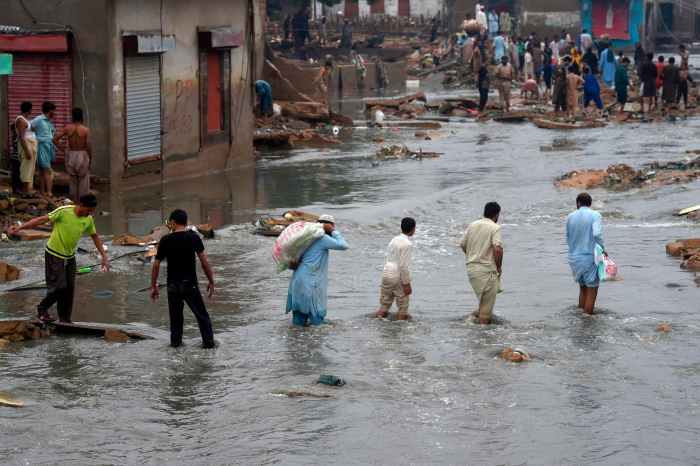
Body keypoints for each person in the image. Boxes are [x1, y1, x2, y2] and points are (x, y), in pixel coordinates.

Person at [6, 194, 109, 323]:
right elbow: (41, 220)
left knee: (69, 289)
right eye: (88, 210)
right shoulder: (64, 211)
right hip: (54, 254)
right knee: (59, 287)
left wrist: (104, 256)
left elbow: (95, 236)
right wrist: (20, 228)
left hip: (70, 256)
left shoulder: (88, 219)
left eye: (92, 211)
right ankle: (42, 308)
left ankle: (65, 319)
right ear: (81, 205)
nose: (89, 213)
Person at [151, 209, 216, 349]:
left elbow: (156, 265)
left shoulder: (165, 240)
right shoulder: (193, 237)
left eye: (170, 223)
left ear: (173, 223)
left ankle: (175, 346)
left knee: (176, 321)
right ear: (185, 222)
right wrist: (211, 281)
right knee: (202, 317)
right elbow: (204, 262)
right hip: (190, 284)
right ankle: (209, 346)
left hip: (172, 286)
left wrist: (153, 286)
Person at [286, 215, 348, 326]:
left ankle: (296, 341)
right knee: (317, 324)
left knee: (297, 324)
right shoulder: (322, 238)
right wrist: (334, 231)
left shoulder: (305, 237)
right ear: (328, 226)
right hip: (310, 283)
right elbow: (343, 245)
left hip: (297, 281)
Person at [460, 202, 503, 325]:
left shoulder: (472, 225)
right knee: (486, 312)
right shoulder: (495, 227)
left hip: (471, 269)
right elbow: (498, 249)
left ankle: (471, 320)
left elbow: (463, 244)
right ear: (497, 214)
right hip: (486, 270)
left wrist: (473, 256)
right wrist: (499, 267)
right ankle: (482, 339)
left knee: (484, 303)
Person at [566, 192, 604, 315]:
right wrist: (602, 249)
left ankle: (580, 318)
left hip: (574, 258)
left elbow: (567, 237)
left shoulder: (570, 216)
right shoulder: (595, 215)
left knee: (583, 289)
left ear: (578, 203)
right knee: (592, 290)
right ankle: (587, 323)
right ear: (590, 203)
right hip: (589, 257)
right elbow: (597, 234)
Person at [375, 218, 416, 321]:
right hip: (397, 275)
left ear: (401, 227)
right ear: (413, 229)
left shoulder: (394, 239)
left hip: (386, 273)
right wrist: (406, 284)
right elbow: (403, 266)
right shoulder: (407, 244)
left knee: (385, 305)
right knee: (403, 307)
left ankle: (378, 322)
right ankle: (399, 330)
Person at [53, 107, 92, 202]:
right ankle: (82, 204)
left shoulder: (67, 128)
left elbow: (54, 139)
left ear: (73, 117)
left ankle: (74, 204)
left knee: (73, 181)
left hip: (71, 155)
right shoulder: (85, 130)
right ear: (81, 116)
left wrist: (63, 150)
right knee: (83, 181)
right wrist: (90, 157)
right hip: (82, 154)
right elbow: (88, 145)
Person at [31, 101, 57, 198]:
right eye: (54, 111)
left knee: (42, 171)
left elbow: (52, 133)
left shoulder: (48, 121)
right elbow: (30, 127)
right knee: (47, 170)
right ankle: (49, 192)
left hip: (48, 147)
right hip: (42, 146)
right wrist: (36, 138)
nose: (55, 113)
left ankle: (42, 192)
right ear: (49, 110)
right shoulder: (39, 119)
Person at [14, 101, 37, 194]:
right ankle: (25, 190)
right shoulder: (21, 120)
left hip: (31, 145)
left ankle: (28, 189)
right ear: (29, 109)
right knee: (26, 168)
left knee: (30, 168)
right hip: (26, 146)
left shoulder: (26, 119)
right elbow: (22, 137)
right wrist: (27, 150)